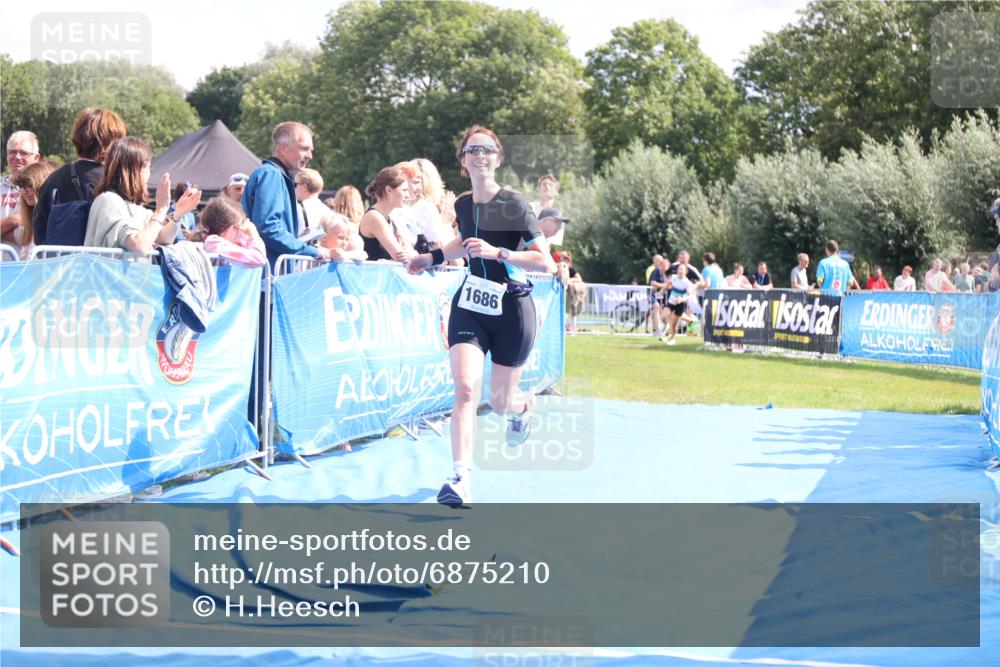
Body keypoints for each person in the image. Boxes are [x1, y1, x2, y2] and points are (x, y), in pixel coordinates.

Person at [407, 124, 555, 507]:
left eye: (487, 149)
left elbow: (546, 262)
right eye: (472, 150)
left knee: (500, 400)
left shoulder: (514, 204)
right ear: (462, 161)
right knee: (466, 387)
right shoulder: (461, 205)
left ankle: (522, 407)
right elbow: (462, 242)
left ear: (498, 158)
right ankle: (460, 478)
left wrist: (498, 252)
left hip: (512, 307)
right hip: (471, 305)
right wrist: (433, 257)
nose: (480, 155)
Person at [84, 137, 201, 254]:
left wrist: (178, 214)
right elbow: (139, 245)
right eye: (147, 166)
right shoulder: (108, 201)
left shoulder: (132, 207)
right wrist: (160, 210)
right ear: (133, 170)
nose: (149, 173)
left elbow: (164, 238)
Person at [34, 108, 127, 244]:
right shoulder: (114, 181)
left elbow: (39, 232)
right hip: (102, 262)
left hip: (59, 262)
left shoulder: (53, 179)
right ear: (111, 143)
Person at [242, 122, 328, 267]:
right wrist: (312, 251)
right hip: (268, 274)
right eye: (304, 149)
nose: (310, 156)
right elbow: (268, 228)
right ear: (283, 148)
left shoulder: (274, 175)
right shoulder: (271, 175)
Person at [190, 196, 266, 268]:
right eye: (237, 228)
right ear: (226, 229)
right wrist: (253, 234)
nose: (241, 233)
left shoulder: (219, 243)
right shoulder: (213, 242)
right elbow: (259, 259)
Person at [359, 166, 415, 262]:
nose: (408, 195)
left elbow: (412, 253)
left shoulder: (390, 220)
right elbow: (400, 256)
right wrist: (410, 254)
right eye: (404, 190)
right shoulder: (375, 217)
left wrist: (411, 254)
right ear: (389, 190)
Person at [7, 160, 57, 258]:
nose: (23, 191)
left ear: (41, 185)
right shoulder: (28, 224)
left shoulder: (54, 221)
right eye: (21, 186)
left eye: (28, 186)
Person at [1, 131, 41, 240]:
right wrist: (15, 220)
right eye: (13, 152)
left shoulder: (42, 187)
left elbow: (35, 233)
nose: (17, 157)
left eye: (23, 153)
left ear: (36, 158)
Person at [662, 263, 695, 345]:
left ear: (686, 272)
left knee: (674, 325)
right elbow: (669, 283)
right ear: (677, 271)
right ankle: (667, 329)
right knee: (663, 316)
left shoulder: (686, 282)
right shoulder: (673, 277)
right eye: (679, 269)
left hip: (680, 304)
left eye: (682, 269)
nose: (680, 271)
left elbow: (690, 295)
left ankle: (673, 338)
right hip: (671, 302)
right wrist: (662, 290)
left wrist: (682, 299)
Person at [294, 168, 329, 237]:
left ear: (304, 187)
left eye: (296, 184)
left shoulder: (296, 209)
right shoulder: (328, 212)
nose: (294, 188)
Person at [556, 250, 585, 334]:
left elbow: (579, 279)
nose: (561, 259)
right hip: (560, 295)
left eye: (563, 257)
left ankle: (572, 330)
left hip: (570, 295)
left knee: (572, 313)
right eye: (560, 257)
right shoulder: (557, 267)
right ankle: (565, 329)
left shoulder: (571, 269)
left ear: (568, 259)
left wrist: (569, 280)